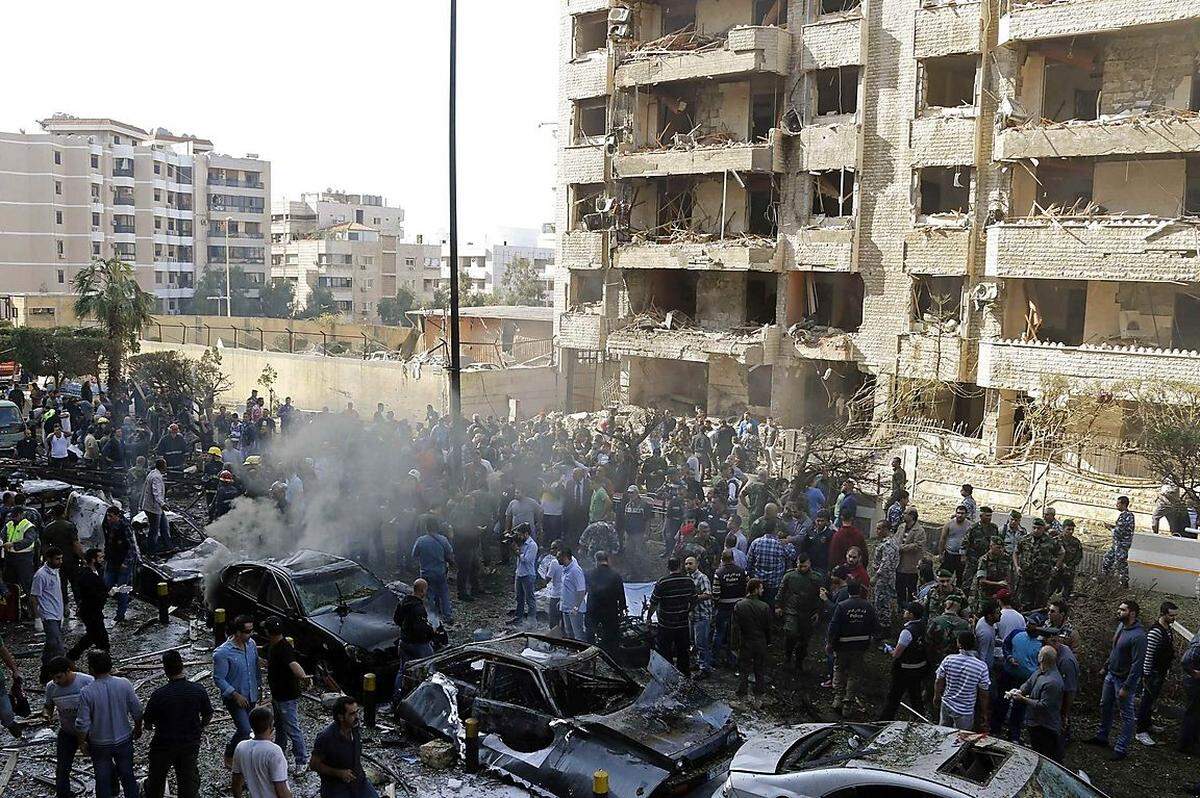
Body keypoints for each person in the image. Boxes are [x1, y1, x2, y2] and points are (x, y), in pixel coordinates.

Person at [143, 650, 213, 798]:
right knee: (188, 781)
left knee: (156, 780)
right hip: (189, 742)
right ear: (182, 666)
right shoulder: (197, 690)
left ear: (165, 670)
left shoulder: (159, 695)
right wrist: (200, 727)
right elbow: (208, 714)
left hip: (163, 744)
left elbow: (147, 722)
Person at [77, 650, 143, 798]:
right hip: (124, 737)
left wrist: (82, 743)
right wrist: (138, 727)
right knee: (128, 776)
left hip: (99, 742)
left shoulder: (87, 692)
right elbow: (137, 709)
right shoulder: (124, 684)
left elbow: (82, 723)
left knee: (102, 780)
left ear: (91, 669)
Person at [1087, 599, 1147, 761]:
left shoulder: (1139, 636)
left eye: (1122, 610)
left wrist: (1127, 687)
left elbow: (1137, 665)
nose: (1119, 612)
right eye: (1119, 609)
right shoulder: (1121, 627)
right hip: (1111, 675)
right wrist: (1105, 667)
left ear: (1132, 613)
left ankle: (1121, 748)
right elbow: (1115, 650)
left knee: (1126, 715)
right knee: (1105, 705)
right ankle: (1102, 736)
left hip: (1123, 680)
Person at [264, 618, 311, 769]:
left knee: (292, 728)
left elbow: (294, 665)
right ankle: (279, 752)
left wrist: (303, 678)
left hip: (286, 697)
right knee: (280, 726)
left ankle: (302, 760)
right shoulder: (275, 645)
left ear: (268, 632)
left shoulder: (283, 648)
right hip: (278, 695)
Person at [214, 615, 262, 765]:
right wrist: (235, 695)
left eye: (251, 631)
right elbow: (218, 678)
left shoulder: (251, 644)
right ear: (237, 632)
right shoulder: (223, 653)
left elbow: (255, 668)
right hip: (236, 698)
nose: (250, 634)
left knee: (251, 728)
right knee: (245, 729)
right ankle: (231, 753)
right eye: (247, 632)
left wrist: (259, 687)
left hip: (252, 694)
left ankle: (245, 755)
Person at [45, 656, 94, 798]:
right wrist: (46, 714)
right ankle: (64, 794)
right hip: (67, 731)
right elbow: (48, 706)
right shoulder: (51, 687)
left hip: (90, 730)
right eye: (54, 678)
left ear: (68, 671)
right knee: (62, 767)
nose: (56, 681)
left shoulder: (87, 681)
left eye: (59, 677)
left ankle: (111, 789)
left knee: (103, 762)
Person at [827, 580, 878, 716]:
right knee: (854, 674)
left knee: (839, 669)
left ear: (848, 591)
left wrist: (830, 643)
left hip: (842, 645)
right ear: (860, 591)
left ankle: (838, 698)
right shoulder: (868, 606)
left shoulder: (842, 606)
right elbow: (875, 627)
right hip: (860, 646)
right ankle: (847, 704)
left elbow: (834, 627)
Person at [310, 696, 377, 798]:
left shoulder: (354, 727)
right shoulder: (326, 737)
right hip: (336, 787)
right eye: (352, 714)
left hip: (359, 781)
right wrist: (339, 773)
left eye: (357, 712)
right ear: (341, 717)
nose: (357, 717)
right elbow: (314, 765)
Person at [1009, 645, 1064, 761]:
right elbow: (1029, 683)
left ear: (1042, 658)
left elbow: (1043, 705)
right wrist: (1021, 690)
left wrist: (1022, 699)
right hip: (1034, 721)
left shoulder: (1052, 682)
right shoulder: (1040, 671)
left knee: (1045, 755)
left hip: (1045, 726)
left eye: (1039, 653)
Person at [1136, 601, 1178, 747]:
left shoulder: (1167, 629)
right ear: (1163, 614)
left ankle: (1147, 724)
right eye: (1171, 615)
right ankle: (1140, 731)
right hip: (1152, 673)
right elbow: (1148, 654)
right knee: (1146, 700)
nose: (1174, 618)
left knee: (1151, 700)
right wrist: (1146, 674)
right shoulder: (1156, 631)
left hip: (1160, 672)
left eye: (1175, 615)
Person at [880, 602, 929, 721]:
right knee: (915, 695)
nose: (904, 612)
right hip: (920, 667)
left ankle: (884, 721)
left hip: (904, 670)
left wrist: (889, 650)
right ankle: (919, 719)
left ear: (911, 614)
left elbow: (897, 654)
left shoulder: (907, 632)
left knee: (894, 697)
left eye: (906, 611)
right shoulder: (924, 626)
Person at [649, 557, 697, 676]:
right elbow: (694, 600)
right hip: (683, 624)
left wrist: (649, 617)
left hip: (666, 625)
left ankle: (668, 676)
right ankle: (684, 676)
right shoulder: (689, 581)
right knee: (683, 651)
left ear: (668, 567)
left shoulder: (662, 582)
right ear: (680, 566)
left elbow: (654, 603)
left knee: (665, 651)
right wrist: (688, 610)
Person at [934, 631, 991, 731]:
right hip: (965, 709)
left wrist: (937, 695)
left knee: (942, 733)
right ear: (974, 645)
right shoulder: (981, 666)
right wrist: (984, 712)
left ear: (958, 643)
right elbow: (983, 693)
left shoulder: (949, 659)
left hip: (947, 703)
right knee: (962, 738)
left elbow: (939, 680)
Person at [777, 553, 823, 674]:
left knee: (804, 639)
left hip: (808, 612)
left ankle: (799, 662)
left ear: (809, 564)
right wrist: (778, 606)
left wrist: (818, 611)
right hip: (792, 610)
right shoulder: (789, 575)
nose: (801, 568)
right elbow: (781, 591)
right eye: (799, 565)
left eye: (804, 566)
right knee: (790, 634)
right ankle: (787, 657)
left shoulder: (816, 578)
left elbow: (820, 597)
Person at [231, 707, 291, 798]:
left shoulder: (241, 747)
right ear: (270, 726)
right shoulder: (274, 751)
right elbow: (281, 789)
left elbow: (236, 782)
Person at [68, 548, 110, 660]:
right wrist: (107, 593)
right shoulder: (86, 575)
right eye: (100, 557)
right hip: (90, 611)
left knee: (92, 636)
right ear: (93, 559)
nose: (102, 560)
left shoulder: (96, 572)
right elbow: (92, 594)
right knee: (102, 638)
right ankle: (103, 663)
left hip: (95, 610)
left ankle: (72, 655)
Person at [731, 578, 771, 697]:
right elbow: (768, 627)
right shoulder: (764, 606)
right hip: (760, 641)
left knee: (744, 668)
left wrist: (734, 645)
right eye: (761, 588)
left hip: (745, 642)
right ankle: (759, 691)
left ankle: (742, 691)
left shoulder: (739, 605)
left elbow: (734, 628)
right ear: (756, 589)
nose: (762, 590)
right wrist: (768, 641)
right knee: (759, 668)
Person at [31, 547, 66, 682]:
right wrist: (37, 618)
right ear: (49, 559)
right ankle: (62, 672)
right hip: (48, 614)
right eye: (57, 559)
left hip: (57, 613)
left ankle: (45, 673)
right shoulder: (41, 575)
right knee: (57, 645)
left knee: (50, 645)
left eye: (61, 558)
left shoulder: (55, 571)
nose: (60, 561)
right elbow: (34, 597)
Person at [411, 516, 454, 624]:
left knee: (429, 594)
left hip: (426, 572)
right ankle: (447, 616)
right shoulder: (443, 539)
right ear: (437, 527)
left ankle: (432, 617)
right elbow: (450, 551)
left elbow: (414, 554)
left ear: (426, 527)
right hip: (440, 571)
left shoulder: (420, 540)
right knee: (444, 593)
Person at [1013, 518, 1062, 611]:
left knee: (1040, 605)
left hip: (1042, 579)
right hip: (1026, 578)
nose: (1036, 530)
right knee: (1024, 604)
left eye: (1039, 528)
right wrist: (1017, 566)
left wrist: (1056, 567)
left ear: (1043, 528)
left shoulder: (1050, 541)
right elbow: (1016, 552)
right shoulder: (1025, 539)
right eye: (1034, 528)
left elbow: (1061, 553)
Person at [393, 578, 436, 681]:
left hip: (403, 642)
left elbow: (396, 619)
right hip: (418, 644)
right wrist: (431, 632)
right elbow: (420, 629)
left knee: (403, 670)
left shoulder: (404, 601)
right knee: (429, 667)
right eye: (425, 590)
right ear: (422, 591)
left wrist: (405, 629)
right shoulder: (418, 608)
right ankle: (428, 691)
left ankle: (398, 693)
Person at [41, 505, 82, 611]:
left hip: (56, 561)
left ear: (53, 514)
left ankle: (65, 607)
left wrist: (48, 559)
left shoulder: (48, 527)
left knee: (61, 584)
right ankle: (79, 606)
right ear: (64, 513)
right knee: (75, 583)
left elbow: (45, 547)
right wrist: (82, 557)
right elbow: (75, 544)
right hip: (71, 559)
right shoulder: (70, 526)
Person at [584, 551, 626, 653]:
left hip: (593, 608)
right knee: (611, 633)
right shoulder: (615, 575)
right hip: (610, 609)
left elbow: (583, 590)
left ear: (596, 560)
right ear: (607, 559)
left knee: (590, 632)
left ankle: (590, 654)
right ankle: (611, 655)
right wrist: (622, 608)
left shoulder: (589, 573)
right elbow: (621, 593)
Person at [712, 548, 747, 669]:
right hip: (738, 606)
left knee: (719, 632)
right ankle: (732, 660)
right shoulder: (742, 572)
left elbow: (715, 593)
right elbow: (747, 587)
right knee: (734, 634)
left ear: (722, 559)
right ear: (733, 559)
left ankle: (715, 658)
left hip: (723, 607)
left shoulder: (718, 573)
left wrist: (715, 604)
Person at [747, 521, 795, 607]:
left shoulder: (755, 543)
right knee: (772, 609)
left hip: (758, 584)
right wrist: (788, 543)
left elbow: (749, 562)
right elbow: (792, 555)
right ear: (775, 530)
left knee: (757, 609)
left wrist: (752, 576)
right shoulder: (780, 544)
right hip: (775, 585)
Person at [685, 555, 714, 678]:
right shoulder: (687, 578)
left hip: (702, 615)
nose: (688, 566)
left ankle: (705, 668)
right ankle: (698, 663)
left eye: (691, 563)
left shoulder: (702, 578)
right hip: (692, 615)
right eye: (686, 564)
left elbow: (708, 594)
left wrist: (694, 598)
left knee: (702, 643)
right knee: (694, 642)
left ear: (697, 564)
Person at [1101, 495, 1136, 589]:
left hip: (1121, 544)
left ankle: (1123, 584)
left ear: (1124, 504)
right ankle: (1105, 579)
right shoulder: (1126, 516)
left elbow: (1119, 532)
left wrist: (1109, 528)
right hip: (1116, 544)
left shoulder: (1126, 516)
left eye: (1118, 503)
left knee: (1120, 564)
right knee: (1107, 559)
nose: (1116, 505)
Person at [142, 458, 173, 552]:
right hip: (153, 508)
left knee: (164, 526)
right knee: (154, 531)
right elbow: (157, 493)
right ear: (162, 466)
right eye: (165, 464)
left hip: (154, 507)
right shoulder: (156, 477)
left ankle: (168, 546)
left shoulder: (152, 473)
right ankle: (152, 552)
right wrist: (163, 504)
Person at [1048, 520, 1083, 599]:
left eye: (1072, 530)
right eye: (1068, 529)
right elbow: (1050, 555)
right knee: (1050, 590)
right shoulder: (1056, 540)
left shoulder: (1076, 542)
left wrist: (1070, 565)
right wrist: (1060, 563)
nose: (1070, 531)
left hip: (1069, 571)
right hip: (1056, 570)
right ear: (1063, 529)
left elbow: (1079, 556)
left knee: (1067, 593)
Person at [558, 546, 587, 641]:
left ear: (565, 557)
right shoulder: (565, 569)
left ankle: (581, 653)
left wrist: (576, 607)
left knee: (578, 634)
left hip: (574, 610)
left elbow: (581, 590)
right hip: (565, 607)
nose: (557, 559)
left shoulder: (576, 570)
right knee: (568, 632)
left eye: (559, 557)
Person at [513, 524, 538, 628]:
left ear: (526, 534)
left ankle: (532, 620)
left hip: (528, 574)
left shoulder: (532, 545)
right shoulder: (521, 543)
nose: (519, 537)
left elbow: (527, 560)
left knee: (530, 598)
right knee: (519, 598)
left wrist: (518, 552)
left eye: (520, 535)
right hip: (519, 573)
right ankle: (518, 617)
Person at [938, 505, 971, 586]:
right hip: (949, 554)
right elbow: (942, 539)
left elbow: (971, 542)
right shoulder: (949, 524)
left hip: (961, 556)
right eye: (958, 513)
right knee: (946, 576)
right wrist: (940, 554)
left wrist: (966, 555)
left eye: (962, 513)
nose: (959, 515)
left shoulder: (970, 525)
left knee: (960, 578)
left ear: (966, 514)